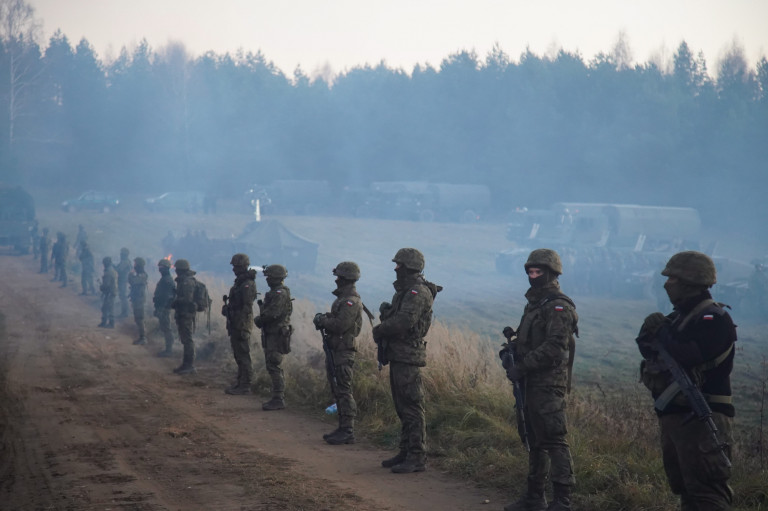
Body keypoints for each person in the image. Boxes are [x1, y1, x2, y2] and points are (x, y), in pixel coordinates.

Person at [636, 251, 736, 510]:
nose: (666, 284)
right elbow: (651, 351)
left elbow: (687, 354)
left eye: (672, 279)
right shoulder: (680, 316)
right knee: (687, 490)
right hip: (678, 417)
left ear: (690, 282)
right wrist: (650, 333)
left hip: (703, 419)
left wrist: (662, 331)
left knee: (707, 493)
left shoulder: (714, 318)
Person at [500, 248, 578, 511]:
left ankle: (562, 501)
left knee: (554, 439)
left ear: (552, 273)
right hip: (531, 383)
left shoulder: (558, 305)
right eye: (530, 272)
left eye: (538, 272)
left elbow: (556, 347)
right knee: (533, 440)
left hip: (547, 383)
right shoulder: (535, 304)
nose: (533, 276)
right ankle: (534, 497)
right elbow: (533, 340)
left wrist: (522, 367)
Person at [372, 248, 440, 474]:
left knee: (411, 406)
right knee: (402, 406)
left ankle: (417, 456)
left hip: (407, 355)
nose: (395, 269)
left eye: (399, 265)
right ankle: (406, 451)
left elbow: (404, 321)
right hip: (400, 353)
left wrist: (381, 329)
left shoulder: (417, 292)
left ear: (409, 267)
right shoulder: (407, 290)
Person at [313, 261, 365, 445]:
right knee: (338, 389)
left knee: (344, 390)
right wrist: (325, 318)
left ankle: (348, 430)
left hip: (343, 352)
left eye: (339, 277)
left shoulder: (350, 301)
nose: (336, 280)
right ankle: (343, 428)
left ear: (345, 278)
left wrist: (324, 321)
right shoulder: (344, 299)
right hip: (336, 350)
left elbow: (341, 324)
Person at [253, 264, 292, 410]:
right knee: (272, 364)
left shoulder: (279, 294)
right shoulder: (277, 292)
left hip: (276, 335)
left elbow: (273, 313)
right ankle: (277, 397)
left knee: (274, 364)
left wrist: (260, 320)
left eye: (269, 276)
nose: (267, 279)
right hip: (272, 333)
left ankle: (278, 398)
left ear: (276, 278)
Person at [222, 253, 258, 395]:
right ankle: (241, 382)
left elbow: (247, 306)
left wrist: (234, 312)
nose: (234, 269)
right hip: (236, 323)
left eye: (236, 266)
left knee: (243, 355)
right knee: (239, 355)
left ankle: (245, 385)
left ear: (243, 266)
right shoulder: (241, 283)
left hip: (241, 324)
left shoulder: (247, 284)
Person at [170, 258, 199, 375]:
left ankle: (189, 365)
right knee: (185, 339)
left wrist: (175, 302)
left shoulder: (187, 282)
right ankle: (186, 364)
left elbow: (187, 299)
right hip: (183, 313)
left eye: (177, 269)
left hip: (186, 313)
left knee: (187, 340)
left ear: (180, 270)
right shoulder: (184, 281)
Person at [153, 258, 176, 357]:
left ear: (166, 268)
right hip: (162, 307)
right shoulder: (165, 279)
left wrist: (162, 307)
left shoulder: (167, 280)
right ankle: (168, 348)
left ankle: (169, 350)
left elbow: (167, 296)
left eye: (161, 267)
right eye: (159, 267)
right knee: (164, 327)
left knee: (167, 328)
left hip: (165, 307)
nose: (160, 269)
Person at [128, 257, 149, 345]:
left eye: (136, 264)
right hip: (136, 299)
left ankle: (143, 338)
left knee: (140, 319)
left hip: (139, 300)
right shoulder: (139, 274)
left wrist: (130, 274)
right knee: (137, 319)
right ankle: (142, 337)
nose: (134, 265)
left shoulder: (142, 275)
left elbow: (133, 281)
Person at [98, 256, 117, 328]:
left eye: (104, 263)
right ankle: (104, 322)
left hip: (110, 292)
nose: (103, 264)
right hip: (109, 292)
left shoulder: (109, 271)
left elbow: (107, 284)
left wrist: (102, 287)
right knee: (105, 307)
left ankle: (111, 323)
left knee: (109, 308)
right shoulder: (110, 270)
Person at [115, 247, 132, 318]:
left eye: (122, 253)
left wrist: (112, 267)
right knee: (122, 296)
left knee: (123, 296)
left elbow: (119, 269)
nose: (120, 254)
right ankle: (124, 312)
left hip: (123, 280)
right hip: (122, 279)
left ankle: (125, 313)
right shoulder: (125, 261)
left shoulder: (125, 262)